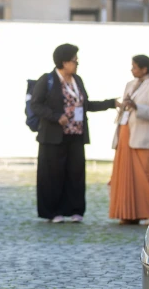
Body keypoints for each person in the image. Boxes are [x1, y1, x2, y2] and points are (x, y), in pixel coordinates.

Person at [31, 43, 118, 223]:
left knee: (75, 174)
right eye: (74, 61)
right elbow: (36, 105)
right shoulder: (47, 80)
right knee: (53, 175)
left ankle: (75, 210)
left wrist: (110, 103)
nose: (77, 64)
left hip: (76, 135)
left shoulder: (77, 80)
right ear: (63, 62)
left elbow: (86, 105)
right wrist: (56, 116)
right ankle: (53, 212)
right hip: (54, 137)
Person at [109, 55, 149, 224]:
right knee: (126, 177)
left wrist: (136, 107)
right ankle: (127, 213)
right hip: (126, 133)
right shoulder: (130, 85)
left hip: (144, 137)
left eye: (134, 67)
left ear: (144, 69)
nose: (132, 70)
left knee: (147, 176)